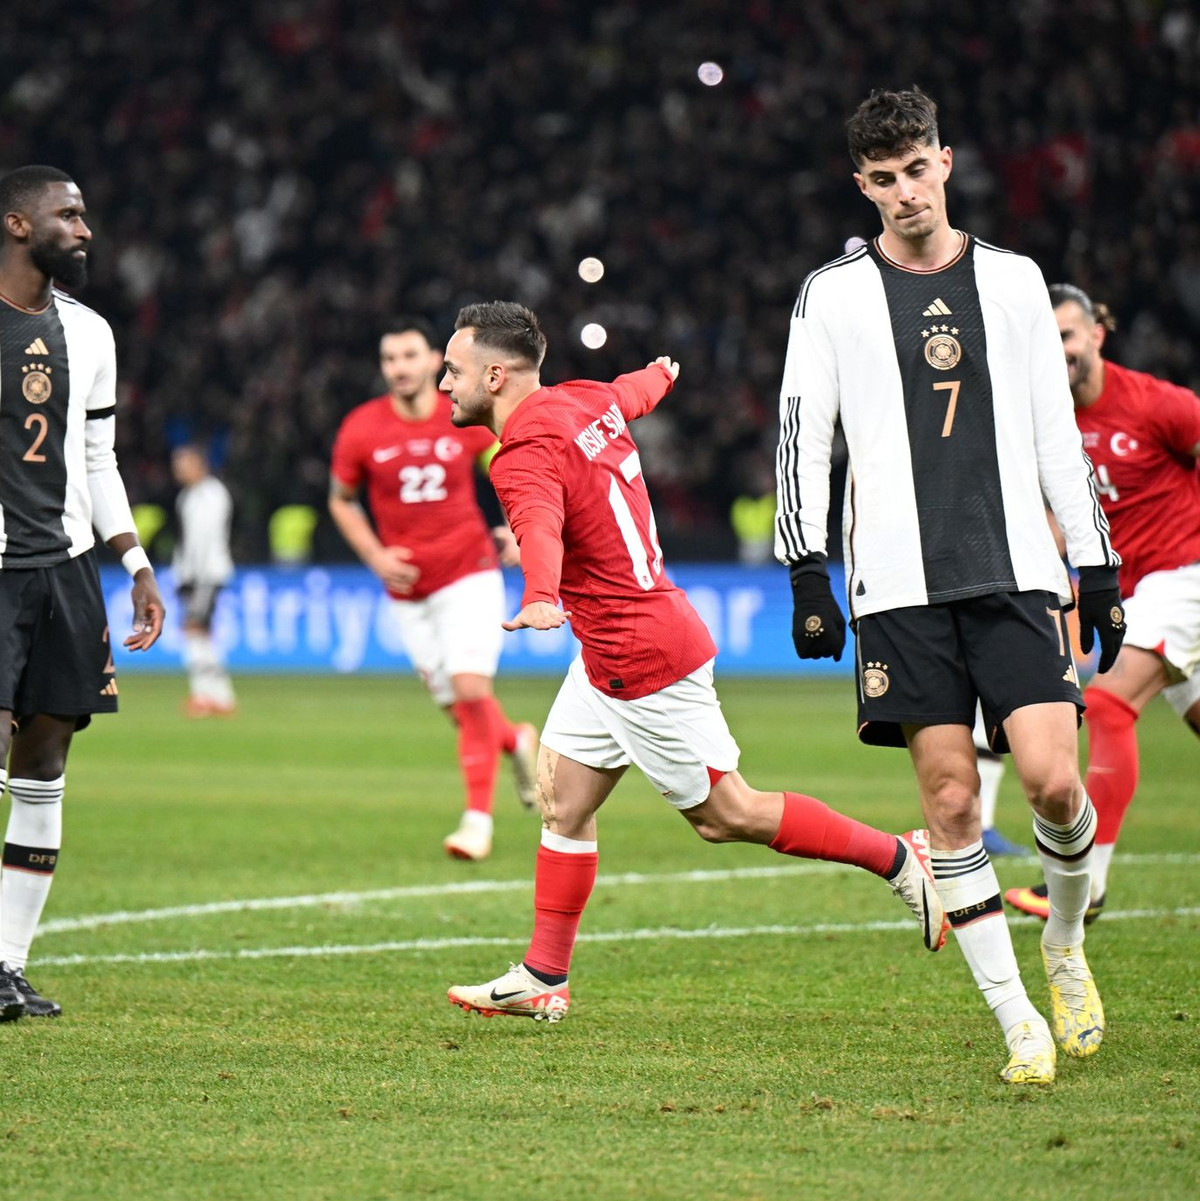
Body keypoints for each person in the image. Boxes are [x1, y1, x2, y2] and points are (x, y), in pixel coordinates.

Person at [442, 300, 948, 1027]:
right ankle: (545, 975)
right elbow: (628, 394)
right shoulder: (582, 398)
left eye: (453, 370)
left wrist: (542, 594)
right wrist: (660, 375)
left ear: (494, 374)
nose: (443, 384)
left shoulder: (520, 453)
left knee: (727, 813)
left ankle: (901, 858)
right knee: (563, 796)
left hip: (636, 653)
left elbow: (539, 527)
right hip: (616, 642)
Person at [773, 89, 1125, 1084]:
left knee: (1055, 780)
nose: (904, 192)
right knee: (951, 799)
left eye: (916, 169)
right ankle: (1017, 1019)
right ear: (862, 186)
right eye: (882, 179)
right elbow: (806, 429)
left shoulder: (1014, 282)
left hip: (1015, 567)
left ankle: (1063, 940)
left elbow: (1058, 433)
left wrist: (1093, 564)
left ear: (946, 162)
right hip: (895, 585)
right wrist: (807, 567)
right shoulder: (832, 294)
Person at [0, 165, 164, 1021]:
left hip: (66, 572)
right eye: (69, 214)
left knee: (45, 766)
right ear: (18, 224)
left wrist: (135, 563)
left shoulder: (91, 334)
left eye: (86, 214)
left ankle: (7, 963)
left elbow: (96, 458)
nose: (85, 227)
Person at [1004, 284, 1200, 923]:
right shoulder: (1046, 422)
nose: (1057, 351)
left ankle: (1086, 887)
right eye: (1046, 339)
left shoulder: (1156, 404)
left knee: (1111, 705)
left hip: (1186, 575)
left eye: (1066, 336)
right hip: (1140, 590)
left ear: (1096, 335)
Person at [329, 317, 538, 862]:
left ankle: (476, 823)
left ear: (430, 363)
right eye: (389, 359)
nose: (400, 368)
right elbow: (341, 499)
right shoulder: (362, 428)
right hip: (409, 593)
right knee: (460, 709)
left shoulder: (462, 418)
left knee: (470, 689)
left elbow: (511, 460)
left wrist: (521, 527)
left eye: (409, 357)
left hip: (468, 572)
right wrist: (374, 555)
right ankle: (516, 742)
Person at [171, 444, 236, 717]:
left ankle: (204, 694)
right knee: (203, 634)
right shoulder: (188, 497)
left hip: (207, 574)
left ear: (199, 464)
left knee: (193, 628)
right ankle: (219, 696)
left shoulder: (212, 494)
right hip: (194, 574)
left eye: (182, 463)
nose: (177, 470)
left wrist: (193, 575)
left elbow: (205, 541)